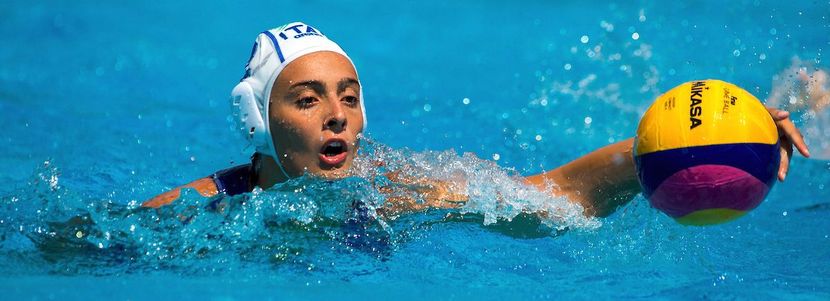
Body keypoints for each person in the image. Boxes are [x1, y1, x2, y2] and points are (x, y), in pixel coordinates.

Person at [143, 22, 811, 219]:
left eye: (349, 95)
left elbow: (551, 194)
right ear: (259, 120)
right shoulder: (207, 206)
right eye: (309, 98)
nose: (338, 115)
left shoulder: (392, 191)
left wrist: (665, 152)